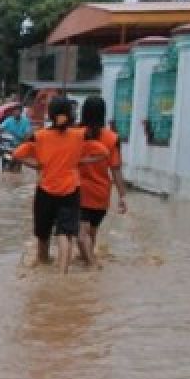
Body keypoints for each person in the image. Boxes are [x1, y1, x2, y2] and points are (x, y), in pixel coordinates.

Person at [12, 97, 108, 274]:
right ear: (71, 115)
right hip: (70, 191)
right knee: (65, 234)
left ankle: (43, 261)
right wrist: (80, 161)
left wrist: (38, 165)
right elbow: (103, 152)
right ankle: (62, 274)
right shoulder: (79, 135)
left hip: (45, 190)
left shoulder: (39, 136)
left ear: (50, 115)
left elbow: (17, 154)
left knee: (43, 232)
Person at [76, 95, 127, 269]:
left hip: (77, 190)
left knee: (82, 234)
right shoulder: (112, 138)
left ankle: (90, 265)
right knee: (91, 234)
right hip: (101, 192)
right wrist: (122, 196)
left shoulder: (75, 135)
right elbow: (116, 169)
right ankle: (88, 265)